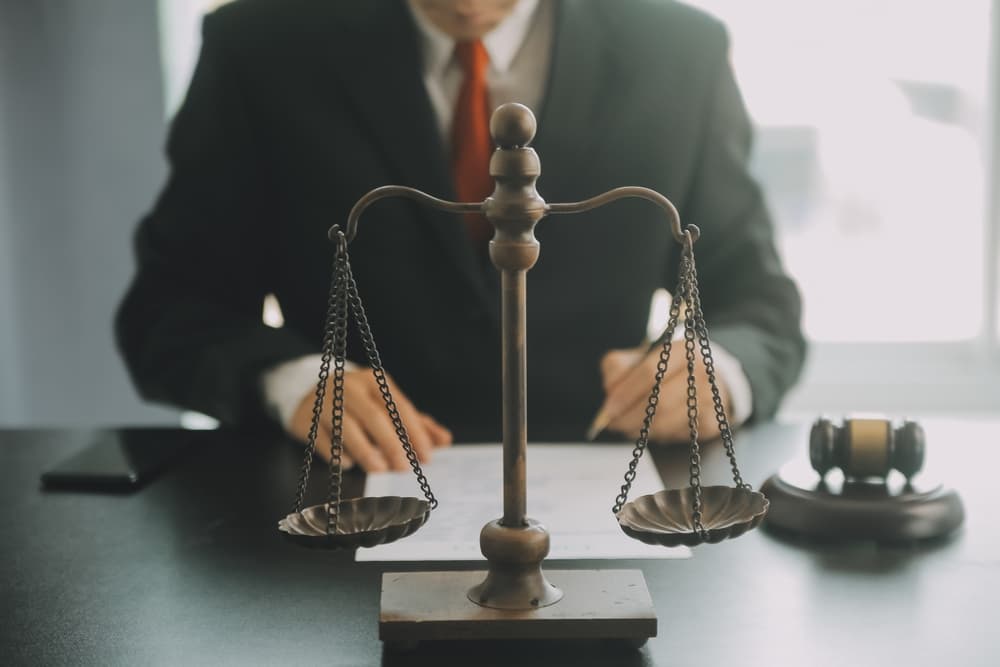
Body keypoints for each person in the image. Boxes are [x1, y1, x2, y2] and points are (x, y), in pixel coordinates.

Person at [116, 0, 806, 472]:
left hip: (613, 512)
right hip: (344, 514)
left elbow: (761, 306)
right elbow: (170, 310)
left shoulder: (681, 51)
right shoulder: (259, 47)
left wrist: (721, 371)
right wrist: (290, 379)